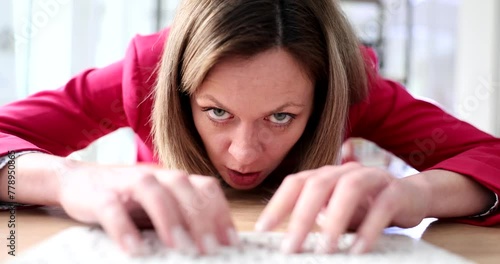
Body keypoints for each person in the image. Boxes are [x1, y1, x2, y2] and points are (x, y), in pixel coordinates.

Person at [1, 0, 499, 257]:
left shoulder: (351, 82)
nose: (242, 154)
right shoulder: (147, 69)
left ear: (324, 98)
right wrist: (68, 179)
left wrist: (417, 195)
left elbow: (489, 155)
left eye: (281, 117)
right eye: (217, 111)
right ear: (181, 89)